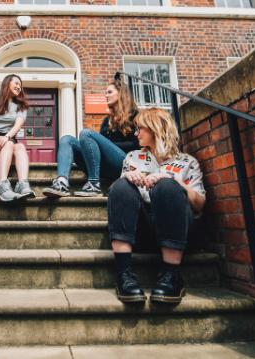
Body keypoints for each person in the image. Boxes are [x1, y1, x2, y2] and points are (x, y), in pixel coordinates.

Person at [108, 108, 206, 304]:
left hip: (176, 231)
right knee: (120, 186)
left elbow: (200, 203)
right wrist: (128, 177)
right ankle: (124, 275)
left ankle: (172, 275)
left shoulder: (187, 162)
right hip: (139, 230)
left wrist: (173, 181)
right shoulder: (133, 157)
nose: (136, 134)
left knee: (167, 186)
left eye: (140, 129)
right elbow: (121, 199)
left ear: (156, 129)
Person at [43, 79, 139, 197]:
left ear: (120, 94)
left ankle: (94, 184)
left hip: (124, 163)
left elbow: (137, 145)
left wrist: (109, 145)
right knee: (67, 139)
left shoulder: (135, 116)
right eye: (106, 93)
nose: (105, 95)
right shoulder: (107, 120)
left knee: (86, 134)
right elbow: (98, 147)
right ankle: (62, 182)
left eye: (109, 92)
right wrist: (104, 146)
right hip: (103, 167)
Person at [0, 74, 33, 201]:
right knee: (9, 144)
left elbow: (17, 125)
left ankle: (23, 184)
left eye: (20, 85)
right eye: (16, 83)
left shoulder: (21, 106)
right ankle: (2, 185)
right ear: (6, 83)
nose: (19, 86)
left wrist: (6, 137)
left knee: (19, 145)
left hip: (9, 140)